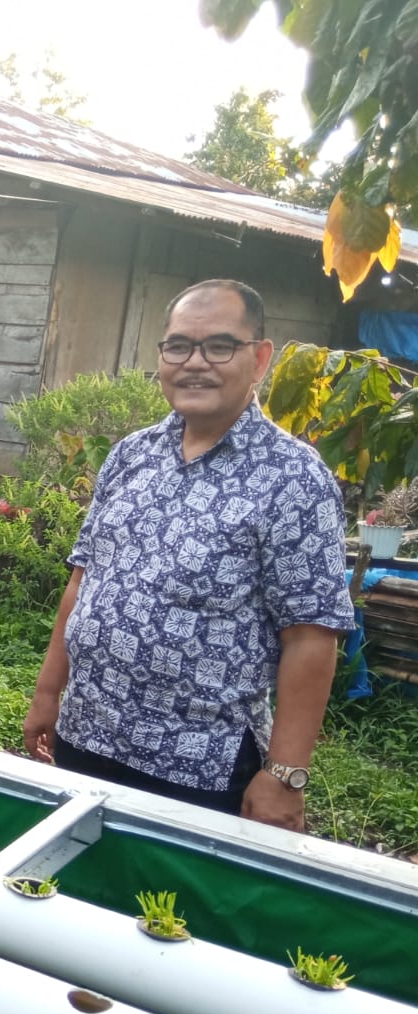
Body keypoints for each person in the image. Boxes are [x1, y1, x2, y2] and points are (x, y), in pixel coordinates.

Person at [22, 279, 356, 831]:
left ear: (260, 359)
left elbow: (311, 636)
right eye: (178, 346)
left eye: (219, 346)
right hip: (87, 735)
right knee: (78, 898)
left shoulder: (293, 478)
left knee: (169, 915)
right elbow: (85, 581)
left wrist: (286, 774)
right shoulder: (131, 455)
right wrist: (47, 693)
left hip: (198, 767)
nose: (194, 363)